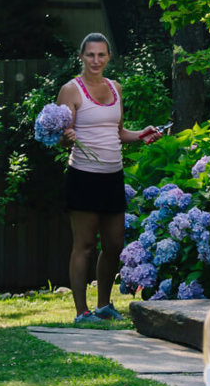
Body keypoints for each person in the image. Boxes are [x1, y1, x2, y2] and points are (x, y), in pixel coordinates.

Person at [57, 32, 162, 324]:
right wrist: (67, 137)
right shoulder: (71, 90)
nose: (96, 60)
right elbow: (61, 141)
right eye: (90, 55)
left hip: (112, 177)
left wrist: (140, 135)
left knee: (114, 243)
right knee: (85, 244)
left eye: (101, 55)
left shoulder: (115, 87)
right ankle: (81, 312)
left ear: (108, 58)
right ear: (81, 57)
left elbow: (117, 132)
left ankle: (104, 305)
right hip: (83, 177)